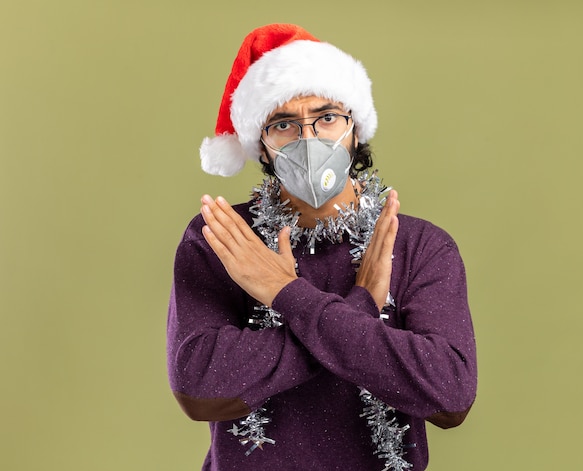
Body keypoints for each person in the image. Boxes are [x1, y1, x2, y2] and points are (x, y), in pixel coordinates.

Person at [167, 23, 477, 471]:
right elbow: (199, 386)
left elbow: (449, 393)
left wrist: (284, 294)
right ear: (263, 145)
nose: (308, 141)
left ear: (355, 129)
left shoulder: (419, 246)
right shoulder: (224, 237)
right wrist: (361, 307)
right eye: (284, 124)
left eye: (327, 117)